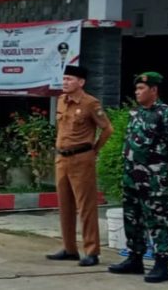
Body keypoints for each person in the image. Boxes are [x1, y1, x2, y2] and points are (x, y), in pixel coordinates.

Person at [110, 72, 168, 284]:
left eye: (141, 88)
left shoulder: (165, 114)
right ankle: (135, 258)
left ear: (154, 90)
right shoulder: (136, 113)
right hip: (131, 174)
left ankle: (161, 263)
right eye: (136, 89)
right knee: (132, 217)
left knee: (157, 218)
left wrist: (158, 164)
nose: (137, 92)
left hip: (153, 177)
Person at [47, 65, 112, 267]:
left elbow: (107, 129)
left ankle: (92, 251)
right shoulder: (61, 100)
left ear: (81, 82)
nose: (65, 82)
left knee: (86, 206)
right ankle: (69, 248)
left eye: (70, 79)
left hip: (81, 158)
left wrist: (95, 150)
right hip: (62, 158)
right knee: (64, 204)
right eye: (64, 78)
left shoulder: (90, 103)